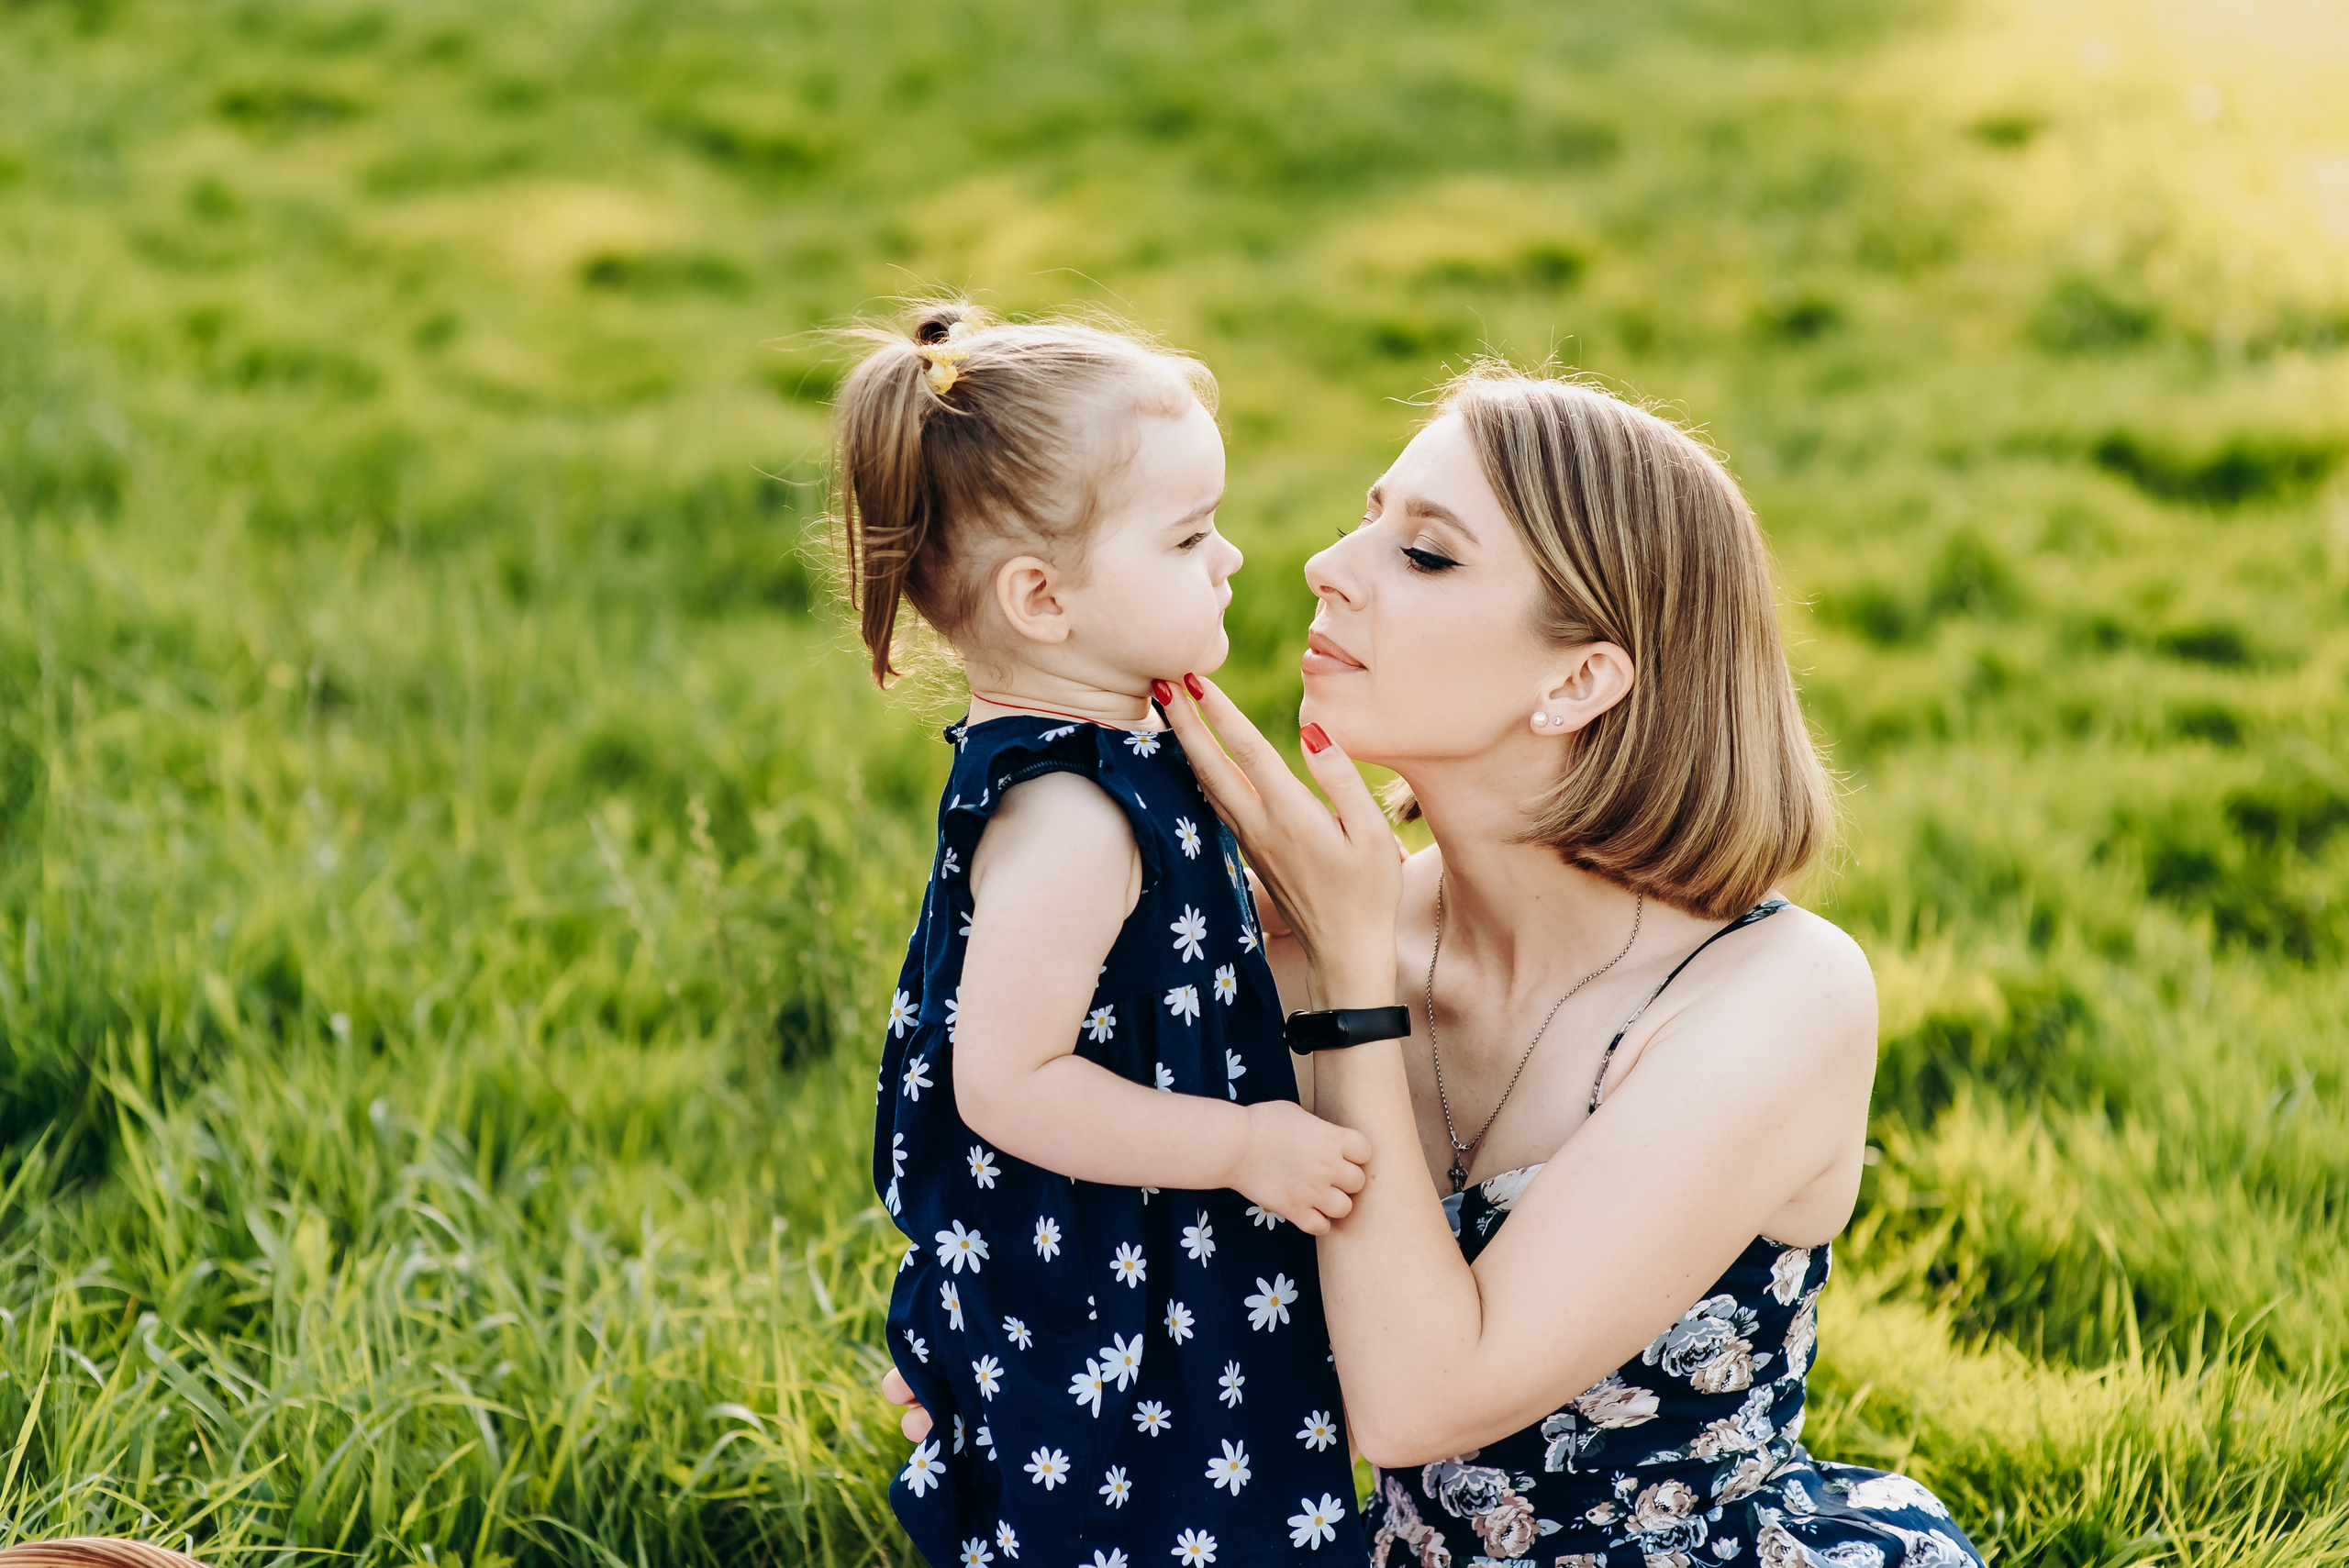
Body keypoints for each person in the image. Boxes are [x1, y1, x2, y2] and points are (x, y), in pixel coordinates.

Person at [1154, 365, 1987, 1567]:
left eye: (1425, 554)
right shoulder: (1322, 930)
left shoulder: (1778, 994)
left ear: (1579, 678)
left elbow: (1419, 1401)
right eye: (1367, 516)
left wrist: (1349, 976)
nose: (1326, 564)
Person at [839, 302, 1375, 1568]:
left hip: (1153, 1254)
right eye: (1189, 534)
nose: (1233, 557)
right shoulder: (1073, 812)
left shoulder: (1127, 743)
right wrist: (1244, 1140)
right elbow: (1005, 1079)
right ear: (1043, 597)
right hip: (1109, 1299)